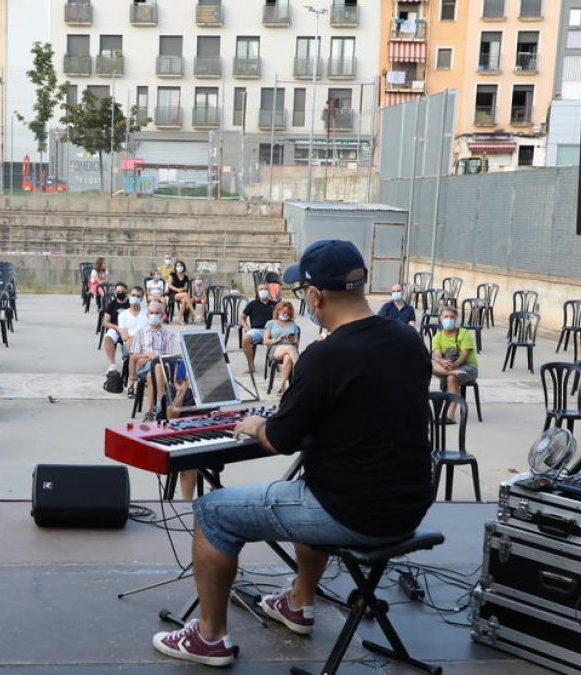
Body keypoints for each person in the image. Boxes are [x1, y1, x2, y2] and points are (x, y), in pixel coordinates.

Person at [151, 240, 433, 666]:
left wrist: (255, 424)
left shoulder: (325, 356)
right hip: (409, 506)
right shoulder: (408, 341)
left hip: (353, 514)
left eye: (304, 295)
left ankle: (209, 637)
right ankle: (298, 603)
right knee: (311, 480)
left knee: (211, 511)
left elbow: (280, 438)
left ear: (316, 296)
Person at [129, 301, 177, 421]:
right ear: (147, 315)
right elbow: (133, 357)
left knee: (153, 372)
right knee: (155, 367)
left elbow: (168, 357)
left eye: (157, 313)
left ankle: (149, 413)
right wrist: (148, 355)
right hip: (144, 367)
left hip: (161, 367)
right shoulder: (140, 332)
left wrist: (153, 358)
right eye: (151, 313)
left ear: (162, 315)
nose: (154, 315)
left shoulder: (168, 335)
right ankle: (161, 403)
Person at [430, 305, 477, 421]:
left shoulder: (463, 333)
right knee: (427, 364)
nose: (448, 319)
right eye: (446, 317)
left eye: (451, 317)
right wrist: (443, 362)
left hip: (467, 367)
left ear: (456, 319)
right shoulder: (438, 337)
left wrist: (452, 367)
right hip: (446, 367)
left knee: (452, 377)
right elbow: (436, 356)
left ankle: (449, 415)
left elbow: (463, 357)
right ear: (441, 318)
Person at [107, 287, 149, 390]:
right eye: (133, 295)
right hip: (130, 343)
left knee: (134, 354)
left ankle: (131, 383)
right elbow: (124, 335)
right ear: (129, 296)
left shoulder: (147, 313)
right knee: (132, 347)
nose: (135, 298)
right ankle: (135, 380)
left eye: (138, 296)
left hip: (145, 342)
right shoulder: (123, 315)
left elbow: (149, 332)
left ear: (142, 298)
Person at [263, 300, 301, 396]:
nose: (285, 314)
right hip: (275, 349)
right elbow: (265, 341)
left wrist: (293, 340)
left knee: (288, 357)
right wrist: (277, 339)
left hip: (290, 350)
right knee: (289, 348)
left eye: (288, 312)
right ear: (278, 311)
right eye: (283, 312)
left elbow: (296, 341)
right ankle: (301, 370)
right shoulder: (271, 323)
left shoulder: (293, 324)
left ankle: (283, 386)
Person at [240, 283, 276, 373]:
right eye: (261, 289)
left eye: (265, 289)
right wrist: (247, 328)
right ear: (257, 291)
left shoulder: (275, 305)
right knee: (245, 340)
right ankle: (251, 365)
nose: (263, 291)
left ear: (269, 291)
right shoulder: (253, 304)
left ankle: (279, 363)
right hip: (256, 331)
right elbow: (242, 317)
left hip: (271, 331)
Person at [168, 260, 192, 325]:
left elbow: (185, 287)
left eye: (180, 266)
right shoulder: (172, 275)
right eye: (178, 266)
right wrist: (177, 289)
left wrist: (182, 289)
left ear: (183, 267)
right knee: (185, 294)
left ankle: (179, 320)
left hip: (182, 294)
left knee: (184, 300)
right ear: (175, 267)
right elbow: (169, 285)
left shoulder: (185, 277)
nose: (179, 267)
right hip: (173, 294)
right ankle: (193, 311)